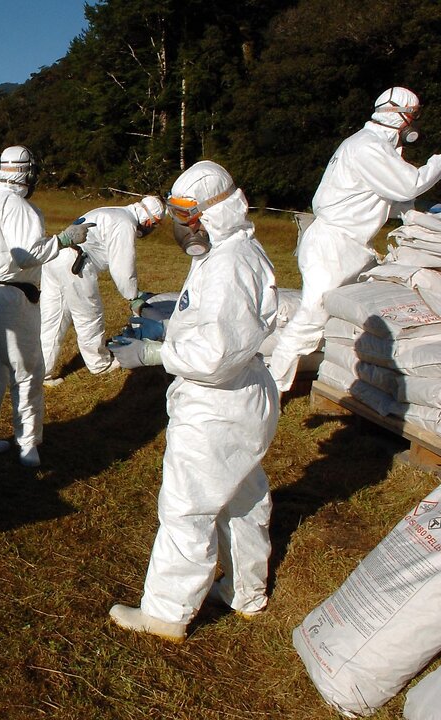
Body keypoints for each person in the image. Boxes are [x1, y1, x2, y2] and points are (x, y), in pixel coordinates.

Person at [106, 160, 280, 642]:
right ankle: (246, 591)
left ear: (213, 213)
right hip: (244, 398)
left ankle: (166, 612)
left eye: (187, 215)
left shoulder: (229, 266)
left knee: (188, 506)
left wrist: (152, 352)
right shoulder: (236, 253)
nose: (182, 227)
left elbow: (215, 355)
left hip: (216, 404)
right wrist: (168, 329)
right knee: (243, 497)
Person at [267, 86, 441, 393]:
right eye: (412, 116)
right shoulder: (367, 147)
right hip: (333, 245)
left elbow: (376, 198)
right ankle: (273, 385)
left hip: (351, 245)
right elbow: (409, 185)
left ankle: (349, 375)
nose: (412, 124)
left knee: (359, 308)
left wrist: (422, 211)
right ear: (400, 117)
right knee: (312, 316)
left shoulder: (371, 146)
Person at [0, 145, 93, 468]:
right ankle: (28, 444)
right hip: (11, 295)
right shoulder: (18, 206)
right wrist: (65, 240)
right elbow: (26, 254)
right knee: (29, 370)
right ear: (28, 172)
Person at [39, 195, 166, 386]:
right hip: (76, 265)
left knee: (52, 320)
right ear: (149, 220)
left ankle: (41, 370)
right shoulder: (125, 223)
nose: (151, 227)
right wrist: (132, 296)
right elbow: (123, 266)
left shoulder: (112, 211)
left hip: (55, 259)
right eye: (154, 224)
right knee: (89, 317)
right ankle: (99, 364)